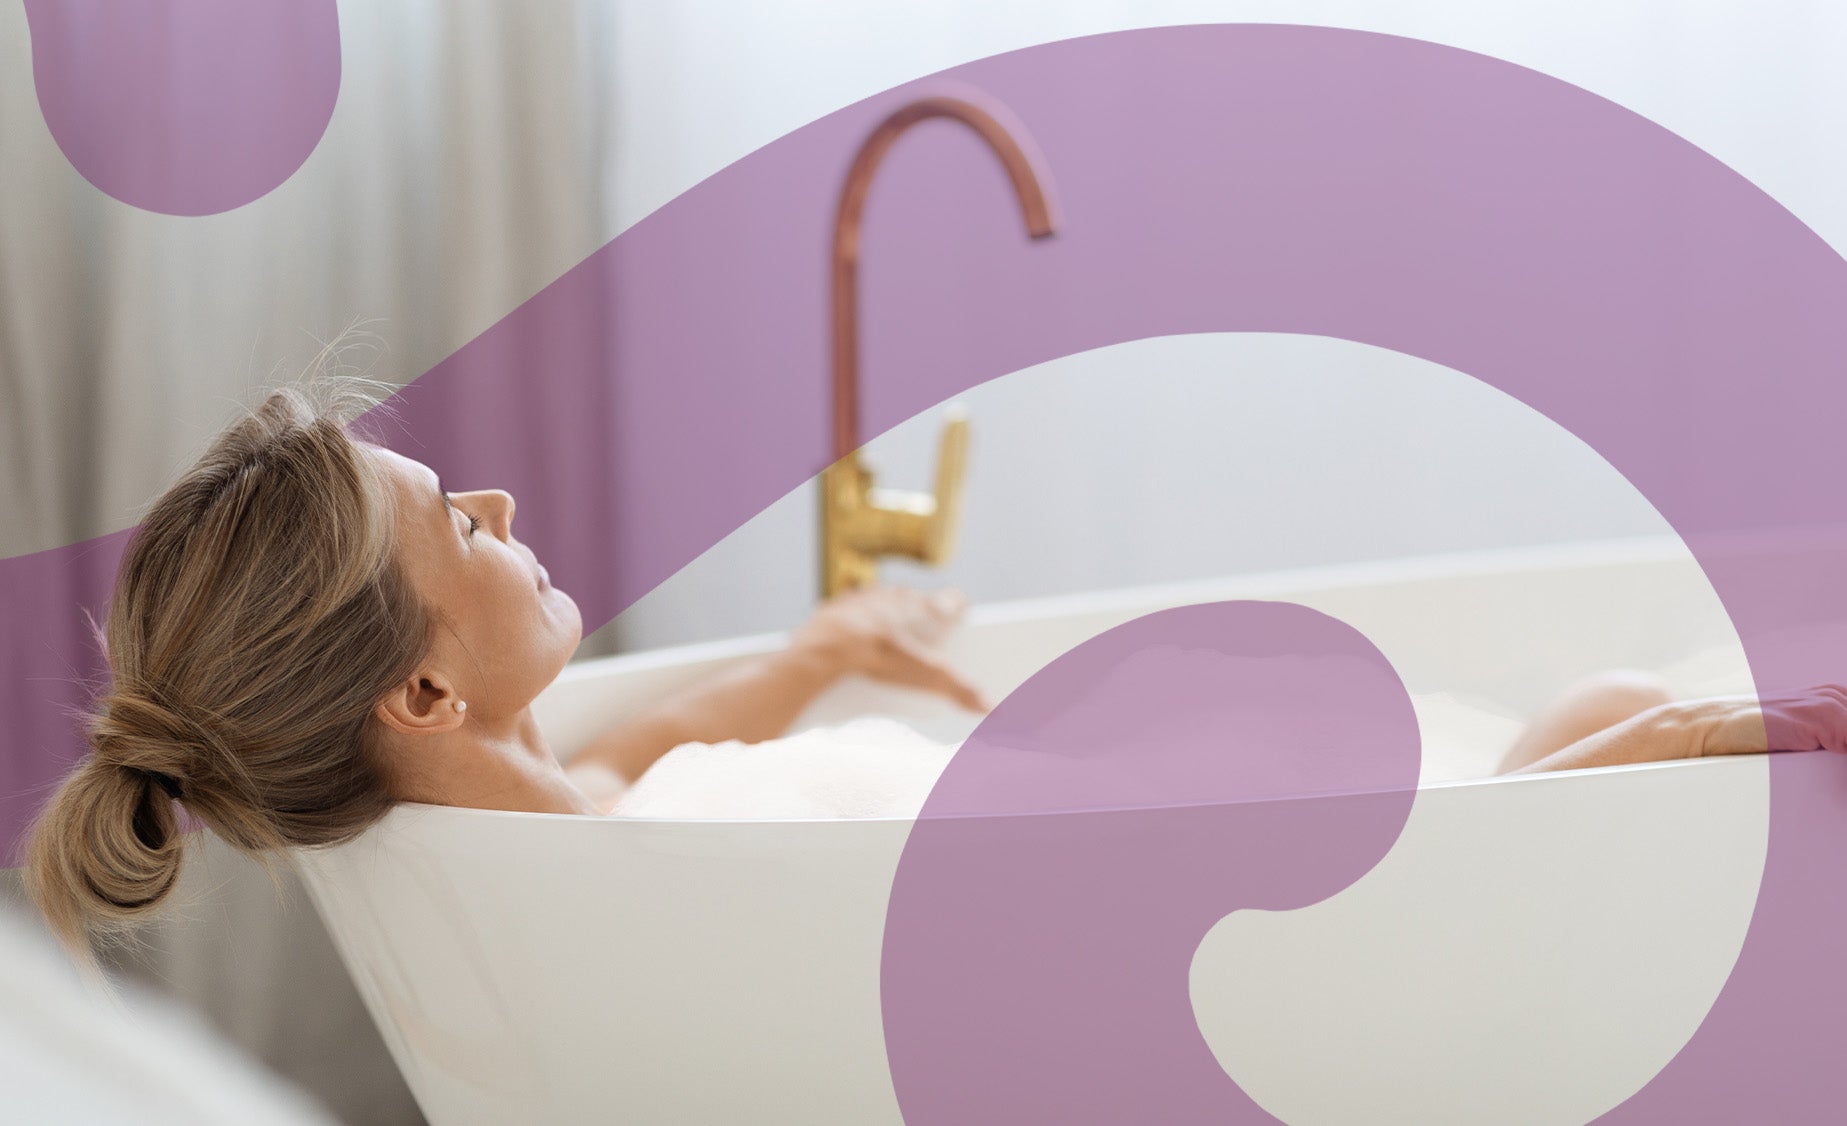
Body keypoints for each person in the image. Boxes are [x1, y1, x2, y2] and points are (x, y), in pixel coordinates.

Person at [16, 376, 1832, 966]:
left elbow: (644, 743)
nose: (497, 496)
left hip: (1097, 843)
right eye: (457, 527)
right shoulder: (615, 868)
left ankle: (1680, 735)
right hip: (1185, 896)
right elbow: (647, 769)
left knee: (1577, 720)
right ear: (419, 696)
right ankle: (1741, 733)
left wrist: (806, 654)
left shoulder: (549, 829)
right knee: (1602, 735)